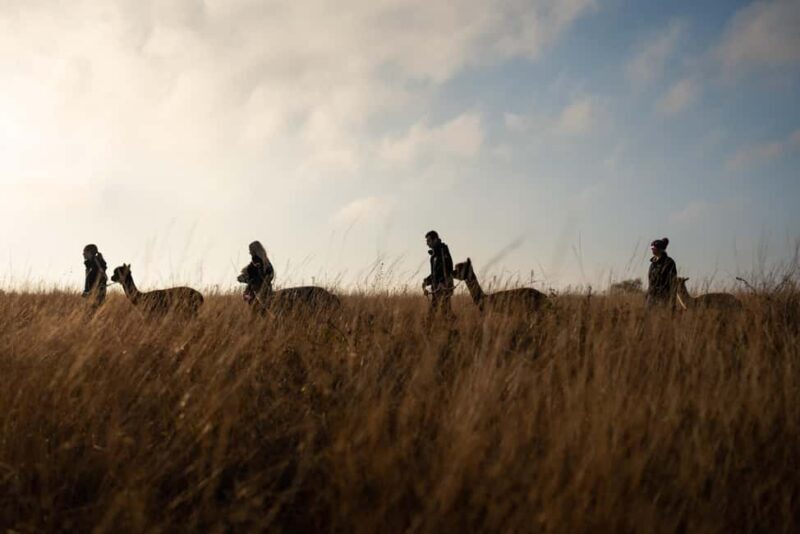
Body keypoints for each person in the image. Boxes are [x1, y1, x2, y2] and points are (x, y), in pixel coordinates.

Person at [422, 230, 454, 319]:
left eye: (429, 241)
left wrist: (442, 283)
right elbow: (435, 273)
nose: (427, 243)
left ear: (435, 239)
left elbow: (449, 268)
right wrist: (426, 281)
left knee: (437, 312)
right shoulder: (434, 256)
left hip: (444, 288)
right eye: (427, 241)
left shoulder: (443, 251)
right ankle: (455, 329)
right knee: (446, 313)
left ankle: (454, 329)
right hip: (437, 289)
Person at [237, 240, 275, 308]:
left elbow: (254, 277)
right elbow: (269, 275)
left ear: (254, 250)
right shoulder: (266, 262)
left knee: (258, 311)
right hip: (265, 290)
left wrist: (244, 278)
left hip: (257, 291)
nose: (249, 252)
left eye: (250, 250)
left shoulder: (256, 261)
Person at [646, 237, 677, 309]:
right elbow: (650, 281)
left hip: (663, 297)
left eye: (654, 247)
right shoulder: (652, 263)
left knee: (659, 316)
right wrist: (647, 294)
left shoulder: (669, 262)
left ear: (660, 249)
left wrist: (673, 303)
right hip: (651, 296)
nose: (652, 249)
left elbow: (673, 283)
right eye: (652, 247)